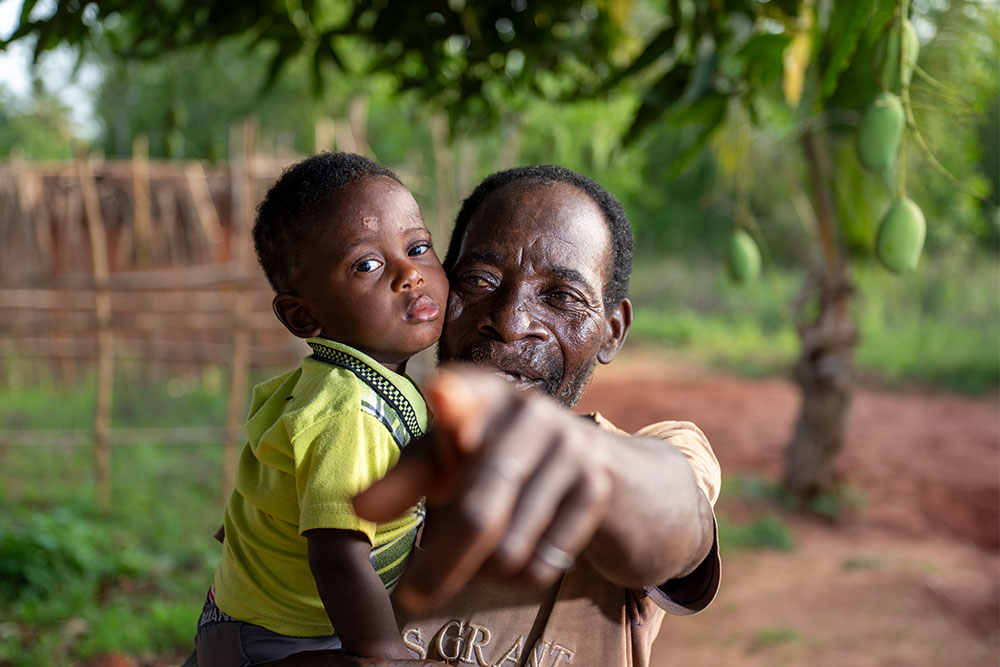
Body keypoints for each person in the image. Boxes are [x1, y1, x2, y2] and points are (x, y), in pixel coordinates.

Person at [267, 164, 721, 667]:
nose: (510, 322)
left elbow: (678, 519)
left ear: (611, 331)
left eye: (562, 297)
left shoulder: (647, 455)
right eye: (479, 281)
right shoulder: (355, 443)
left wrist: (597, 465)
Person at [193, 151, 451, 664]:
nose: (410, 274)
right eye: (367, 265)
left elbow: (263, 487)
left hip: (245, 616)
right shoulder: (347, 409)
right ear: (302, 315)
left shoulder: (336, 382)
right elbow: (337, 556)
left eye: (418, 247)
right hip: (276, 641)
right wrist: (382, 653)